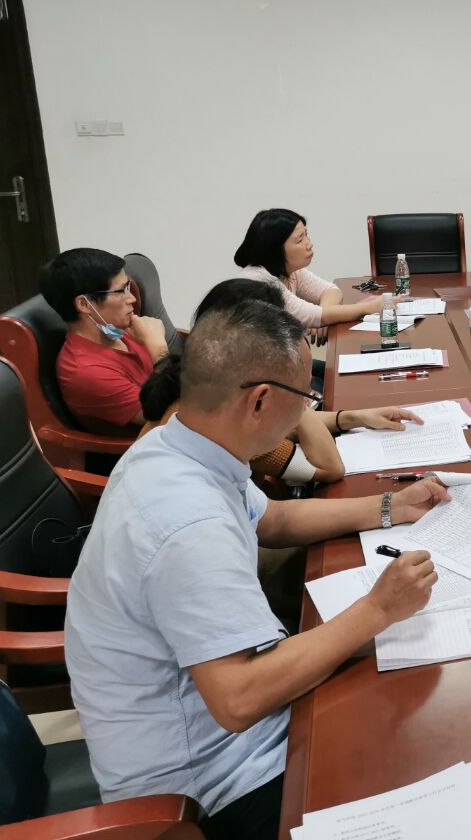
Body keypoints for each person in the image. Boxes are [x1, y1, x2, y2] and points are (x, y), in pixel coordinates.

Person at [64, 299, 448, 840]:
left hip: (226, 730)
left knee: (406, 696)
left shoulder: (179, 444)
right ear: (261, 400)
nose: (308, 411)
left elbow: (274, 519)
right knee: (423, 749)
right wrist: (378, 609)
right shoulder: (186, 521)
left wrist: (390, 508)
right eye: (306, 399)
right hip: (211, 786)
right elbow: (238, 699)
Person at [138, 278, 420, 484]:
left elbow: (290, 429)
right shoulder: (225, 421)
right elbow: (329, 467)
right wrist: (293, 387)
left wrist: (355, 417)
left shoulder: (207, 390)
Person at [38, 248, 169, 434]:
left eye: (128, 287)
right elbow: (174, 417)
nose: (132, 298)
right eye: (121, 291)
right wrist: (160, 351)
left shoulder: (120, 331)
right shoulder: (86, 372)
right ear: (84, 304)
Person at [234, 208, 383, 342]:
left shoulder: (289, 271)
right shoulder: (260, 282)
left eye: (306, 235)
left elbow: (331, 291)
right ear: (275, 250)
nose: (309, 244)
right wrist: (369, 307)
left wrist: (326, 316)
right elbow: (317, 316)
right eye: (300, 240)